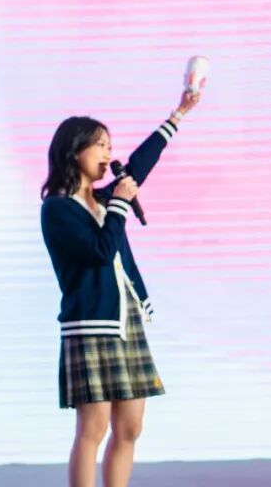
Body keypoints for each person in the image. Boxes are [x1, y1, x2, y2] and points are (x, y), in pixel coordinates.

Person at [40, 89, 200, 487]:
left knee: (130, 427)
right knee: (92, 428)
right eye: (99, 145)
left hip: (126, 321)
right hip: (90, 323)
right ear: (74, 151)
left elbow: (141, 164)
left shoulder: (105, 198)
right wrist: (120, 206)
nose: (107, 153)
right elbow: (99, 251)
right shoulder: (57, 208)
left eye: (109, 146)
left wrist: (178, 114)